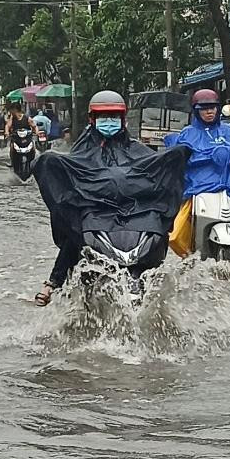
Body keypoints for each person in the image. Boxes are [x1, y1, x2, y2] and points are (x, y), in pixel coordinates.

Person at [32, 91, 188, 305]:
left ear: (123, 119)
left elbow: (155, 169)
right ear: (92, 119)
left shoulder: (138, 149)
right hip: (95, 210)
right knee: (74, 230)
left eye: (113, 117)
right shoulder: (82, 151)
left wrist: (176, 157)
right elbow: (68, 171)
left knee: (159, 229)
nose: (109, 122)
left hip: (135, 213)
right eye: (103, 117)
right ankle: (53, 281)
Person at [168, 89, 230, 204]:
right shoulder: (188, 133)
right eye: (204, 109)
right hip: (196, 185)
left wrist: (223, 154)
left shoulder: (227, 130)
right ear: (196, 111)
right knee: (181, 219)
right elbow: (182, 159)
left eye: (212, 108)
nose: (209, 112)